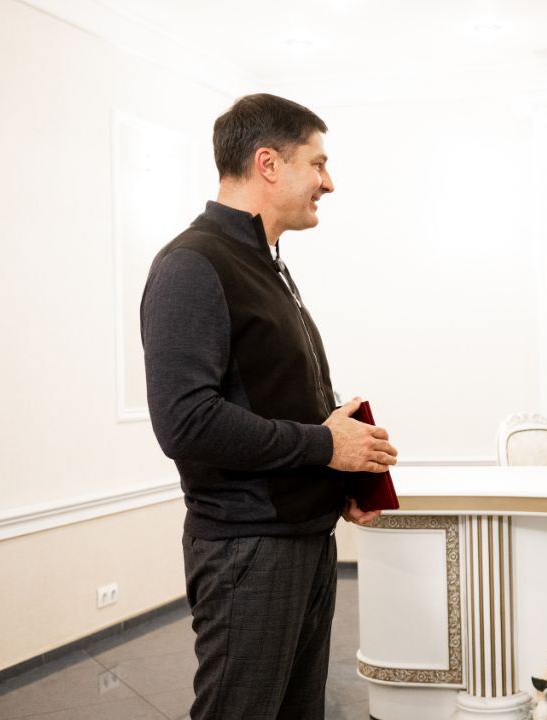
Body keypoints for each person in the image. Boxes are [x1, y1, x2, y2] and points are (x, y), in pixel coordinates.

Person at [140, 93, 398, 719]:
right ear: (269, 164)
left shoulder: (266, 263)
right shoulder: (192, 264)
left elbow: (271, 400)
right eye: (318, 164)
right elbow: (186, 422)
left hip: (301, 539)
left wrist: (338, 478)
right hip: (247, 549)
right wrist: (326, 446)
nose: (328, 183)